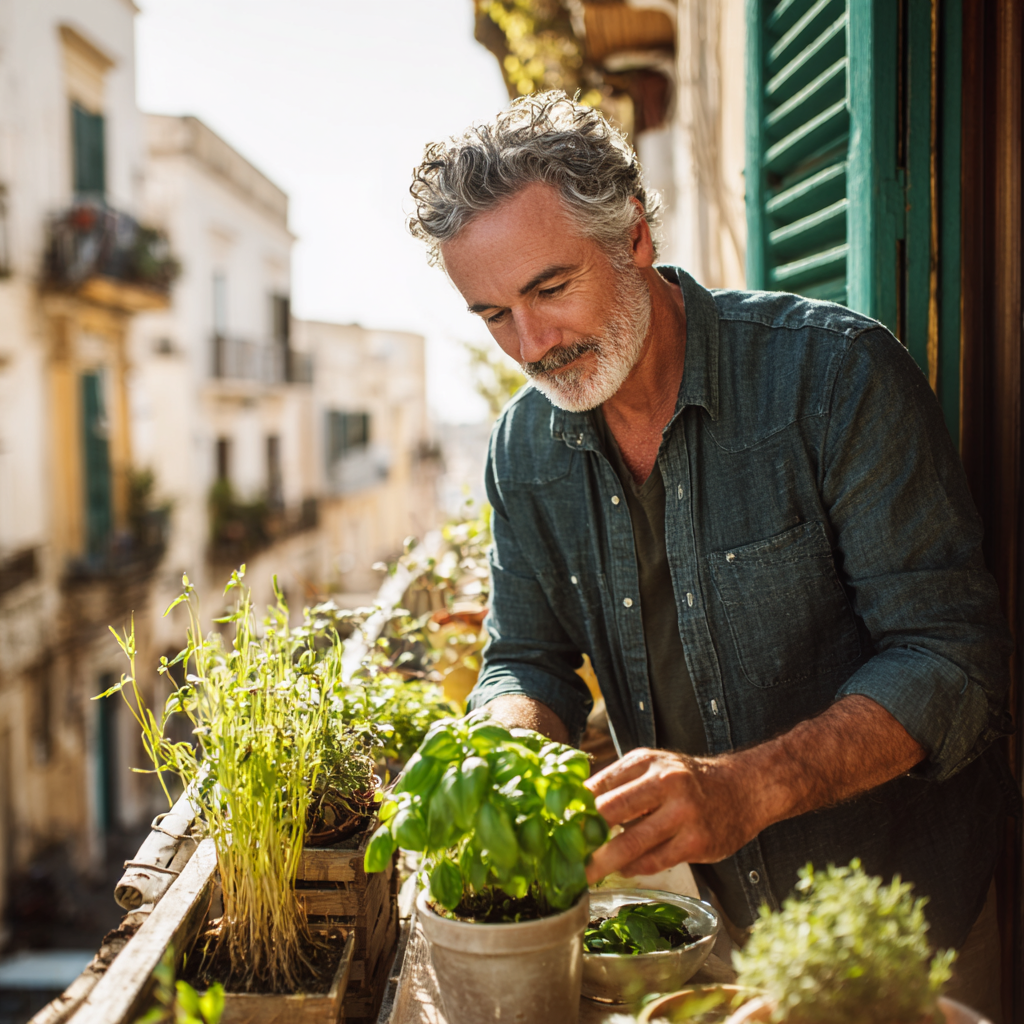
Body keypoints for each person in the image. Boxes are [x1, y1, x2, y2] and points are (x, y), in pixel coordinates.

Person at [409, 92, 1014, 1015]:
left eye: (550, 289)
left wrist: (749, 788)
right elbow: (524, 656)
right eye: (493, 314)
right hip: (719, 938)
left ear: (635, 236)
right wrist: (508, 746)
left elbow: (953, 658)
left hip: (909, 935)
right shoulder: (521, 450)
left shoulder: (835, 376)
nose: (531, 346)